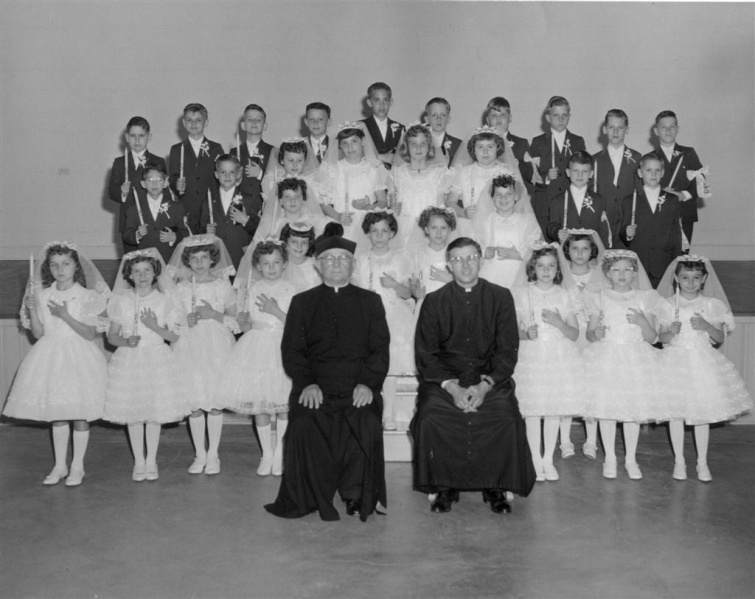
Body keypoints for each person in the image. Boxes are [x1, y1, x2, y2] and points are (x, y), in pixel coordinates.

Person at [265, 235, 389, 522]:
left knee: (366, 421)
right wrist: (307, 383)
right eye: (329, 259)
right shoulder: (303, 303)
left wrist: (368, 384)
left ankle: (356, 494)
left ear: (353, 265)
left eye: (342, 258)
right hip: (316, 386)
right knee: (305, 422)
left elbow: (379, 348)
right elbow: (293, 350)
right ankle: (309, 495)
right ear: (318, 266)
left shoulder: (371, 302)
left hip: (357, 385)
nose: (336, 264)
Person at [412, 237, 536, 514]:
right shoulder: (434, 301)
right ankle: (444, 486)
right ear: (449, 264)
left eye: (470, 257)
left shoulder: (501, 297)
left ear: (480, 259)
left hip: (490, 381)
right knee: (432, 416)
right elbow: (427, 354)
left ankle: (496, 485)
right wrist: (454, 389)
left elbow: (507, 351)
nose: (465, 264)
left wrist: (484, 386)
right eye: (457, 259)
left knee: (505, 416)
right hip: (444, 384)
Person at [3, 242, 109, 486]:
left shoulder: (87, 296)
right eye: (54, 265)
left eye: (66, 264)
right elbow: (38, 334)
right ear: (48, 268)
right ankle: (60, 465)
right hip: (50, 355)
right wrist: (31, 311)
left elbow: (90, 333)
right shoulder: (42, 295)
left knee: (80, 413)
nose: (60, 269)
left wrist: (65, 315)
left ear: (75, 266)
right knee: (58, 414)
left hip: (79, 355)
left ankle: (77, 466)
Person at [582, 249, 676, 480]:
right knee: (607, 409)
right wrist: (597, 333)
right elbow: (590, 333)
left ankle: (631, 459)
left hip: (635, 358)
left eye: (627, 270)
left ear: (635, 273)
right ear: (607, 272)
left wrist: (643, 322)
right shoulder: (599, 297)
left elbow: (653, 338)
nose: (622, 274)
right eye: (616, 270)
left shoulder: (645, 298)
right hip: (607, 357)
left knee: (633, 410)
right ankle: (610, 458)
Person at [657, 255, 752, 481]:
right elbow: (662, 338)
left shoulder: (712, 305)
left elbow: (719, 338)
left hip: (702, 362)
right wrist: (672, 331)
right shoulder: (668, 304)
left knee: (702, 415)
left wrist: (706, 326)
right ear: (676, 279)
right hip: (675, 362)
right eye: (685, 277)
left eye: (696, 278)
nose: (690, 282)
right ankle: (679, 461)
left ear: (704, 279)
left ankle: (702, 462)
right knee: (676, 413)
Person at [103, 248, 190, 482]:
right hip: (130, 359)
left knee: (153, 412)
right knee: (134, 412)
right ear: (129, 275)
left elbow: (174, 336)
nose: (142, 275)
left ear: (155, 273)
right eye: (137, 271)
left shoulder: (164, 301)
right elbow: (111, 336)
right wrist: (125, 340)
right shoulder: (121, 301)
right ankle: (138, 462)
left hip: (156, 358)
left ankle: (151, 460)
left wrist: (154, 326)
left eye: (147, 270)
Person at [220, 240, 295, 477]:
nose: (271, 267)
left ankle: (281, 451)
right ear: (258, 267)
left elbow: (298, 324)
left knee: (284, 404)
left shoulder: (291, 290)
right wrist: (244, 323)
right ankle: (267, 453)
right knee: (260, 402)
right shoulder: (253, 288)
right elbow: (249, 322)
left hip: (283, 345)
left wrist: (276, 312)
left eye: (276, 263)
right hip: (258, 345)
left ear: (284, 265)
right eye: (266, 263)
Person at [512, 242, 583, 483]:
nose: (546, 270)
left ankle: (548, 459)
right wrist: (525, 334)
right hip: (531, 356)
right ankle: (534, 458)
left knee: (553, 409)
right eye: (541, 266)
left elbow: (575, 334)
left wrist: (559, 323)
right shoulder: (523, 293)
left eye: (551, 266)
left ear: (558, 269)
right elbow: (509, 330)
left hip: (557, 357)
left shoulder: (563, 295)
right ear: (532, 267)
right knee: (533, 411)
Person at [168, 235, 238, 476]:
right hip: (190, 346)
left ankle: (213, 454)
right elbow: (172, 322)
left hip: (217, 345)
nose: (199, 263)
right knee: (195, 402)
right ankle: (199, 453)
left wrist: (212, 314)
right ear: (187, 261)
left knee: (214, 402)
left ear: (212, 260)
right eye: (194, 259)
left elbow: (235, 320)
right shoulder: (180, 288)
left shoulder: (222, 286)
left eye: (204, 258)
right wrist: (182, 320)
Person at [352, 209, 415, 430]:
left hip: (393, 314)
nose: (379, 236)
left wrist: (395, 285)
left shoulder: (400, 258)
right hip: (367, 316)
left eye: (384, 231)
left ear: (392, 233)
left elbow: (408, 293)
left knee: (390, 364)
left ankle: (389, 413)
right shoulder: (360, 259)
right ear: (367, 233)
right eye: (374, 231)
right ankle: (371, 409)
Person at [560, 229, 605, 459]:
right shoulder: (560, 273)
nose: (579, 253)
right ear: (566, 250)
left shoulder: (599, 275)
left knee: (591, 385)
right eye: (575, 248)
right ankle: (565, 439)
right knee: (567, 384)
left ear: (592, 251)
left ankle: (591, 440)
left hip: (591, 334)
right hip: (569, 333)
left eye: (585, 249)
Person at [618, 153, 682, 288]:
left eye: (657, 170)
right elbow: (624, 233)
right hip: (639, 262)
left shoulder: (671, 200)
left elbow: (676, 235)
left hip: (663, 262)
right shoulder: (630, 200)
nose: (653, 174)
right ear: (640, 173)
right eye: (648, 170)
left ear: (663, 173)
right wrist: (628, 234)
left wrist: (676, 262)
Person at [471, 172, 541, 290]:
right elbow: (473, 247)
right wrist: (483, 252)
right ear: (492, 197)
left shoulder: (526, 222)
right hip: (491, 275)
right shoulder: (485, 222)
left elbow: (535, 252)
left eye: (509, 194)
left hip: (517, 275)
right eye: (498, 195)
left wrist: (518, 255)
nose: (503, 199)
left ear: (516, 196)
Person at [108, 116, 166, 253]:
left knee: (153, 263)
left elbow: (166, 194)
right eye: (133, 136)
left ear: (149, 137)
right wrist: (122, 192)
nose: (137, 140)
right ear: (127, 137)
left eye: (141, 135)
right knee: (131, 264)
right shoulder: (119, 163)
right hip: (129, 224)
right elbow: (111, 191)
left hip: (153, 221)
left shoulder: (158, 162)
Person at [529, 96, 586, 235]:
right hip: (545, 206)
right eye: (556, 115)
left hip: (570, 204)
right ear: (548, 117)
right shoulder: (538, 142)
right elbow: (531, 176)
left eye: (564, 115)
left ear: (569, 117)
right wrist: (546, 177)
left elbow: (584, 171)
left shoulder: (577, 141)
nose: (560, 119)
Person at [391, 122, 452, 249]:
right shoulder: (397, 173)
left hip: (430, 230)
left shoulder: (439, 174)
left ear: (429, 147)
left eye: (423, 144)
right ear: (406, 147)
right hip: (404, 229)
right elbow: (392, 205)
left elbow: (441, 207)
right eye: (413, 144)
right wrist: (393, 209)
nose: (418, 148)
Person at [198, 154, 262, 270]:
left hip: (241, 260)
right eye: (223, 172)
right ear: (216, 174)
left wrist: (245, 220)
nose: (227, 176)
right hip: (216, 261)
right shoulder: (208, 200)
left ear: (238, 174)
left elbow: (259, 230)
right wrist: (206, 230)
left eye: (232, 172)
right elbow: (202, 229)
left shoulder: (248, 199)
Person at [168, 103, 224, 234]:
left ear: (206, 122)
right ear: (183, 122)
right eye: (189, 120)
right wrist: (177, 184)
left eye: (198, 120)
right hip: (187, 207)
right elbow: (173, 176)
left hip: (210, 208)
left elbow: (222, 176)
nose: (193, 124)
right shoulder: (176, 150)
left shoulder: (216, 148)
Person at [653, 110, 707, 245]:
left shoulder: (689, 153)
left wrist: (681, 195)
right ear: (656, 131)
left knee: (682, 256)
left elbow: (701, 184)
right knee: (659, 254)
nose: (668, 130)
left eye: (672, 127)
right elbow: (644, 187)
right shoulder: (650, 157)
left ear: (677, 129)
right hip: (659, 215)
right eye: (663, 127)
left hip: (684, 214)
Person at [592, 109, 642, 246]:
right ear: (604, 129)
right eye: (611, 127)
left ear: (627, 130)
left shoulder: (637, 159)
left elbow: (641, 191)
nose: (615, 132)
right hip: (603, 220)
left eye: (620, 127)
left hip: (628, 222)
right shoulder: (594, 160)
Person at [123, 161, 189, 263]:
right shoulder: (134, 209)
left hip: (169, 261)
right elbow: (127, 235)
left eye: (159, 179)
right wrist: (137, 234)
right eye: (150, 180)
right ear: (143, 184)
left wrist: (174, 237)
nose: (154, 183)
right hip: (145, 262)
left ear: (166, 183)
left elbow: (185, 233)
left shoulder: (176, 207)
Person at [546, 151, 612, 249]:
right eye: (575, 171)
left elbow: (604, 231)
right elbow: (551, 226)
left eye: (585, 171)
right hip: (566, 251)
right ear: (568, 173)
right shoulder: (558, 200)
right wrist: (557, 232)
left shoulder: (599, 200)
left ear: (591, 174)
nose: (580, 175)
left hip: (592, 252)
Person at [484, 96, 534, 190]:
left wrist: (517, 163)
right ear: (487, 120)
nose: (498, 120)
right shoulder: (481, 144)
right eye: (494, 116)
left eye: (503, 115)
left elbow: (531, 175)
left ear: (510, 118)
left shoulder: (521, 144)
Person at [360, 81, 405, 169]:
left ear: (391, 102)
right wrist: (380, 156)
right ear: (369, 102)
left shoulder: (401, 128)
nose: (382, 104)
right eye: (377, 100)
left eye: (386, 100)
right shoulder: (360, 127)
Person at [235, 103, 275, 199]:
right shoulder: (234, 152)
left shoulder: (273, 152)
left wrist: (260, 174)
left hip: (264, 205)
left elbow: (278, 180)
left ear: (265, 126)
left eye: (258, 120)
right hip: (241, 204)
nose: (254, 122)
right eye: (249, 119)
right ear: (243, 125)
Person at [279, 223, 321, 293]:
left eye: (304, 243)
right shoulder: (278, 264)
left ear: (309, 244)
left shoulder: (315, 266)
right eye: (294, 242)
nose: (299, 246)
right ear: (285, 242)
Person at [424, 97, 462, 166]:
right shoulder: (420, 143)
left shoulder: (458, 145)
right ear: (427, 119)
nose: (439, 119)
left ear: (448, 119)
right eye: (434, 115)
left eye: (443, 115)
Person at [304, 101, 332, 170]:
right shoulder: (301, 145)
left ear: (328, 122)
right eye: (311, 119)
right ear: (306, 122)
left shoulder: (336, 145)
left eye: (320, 119)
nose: (316, 123)